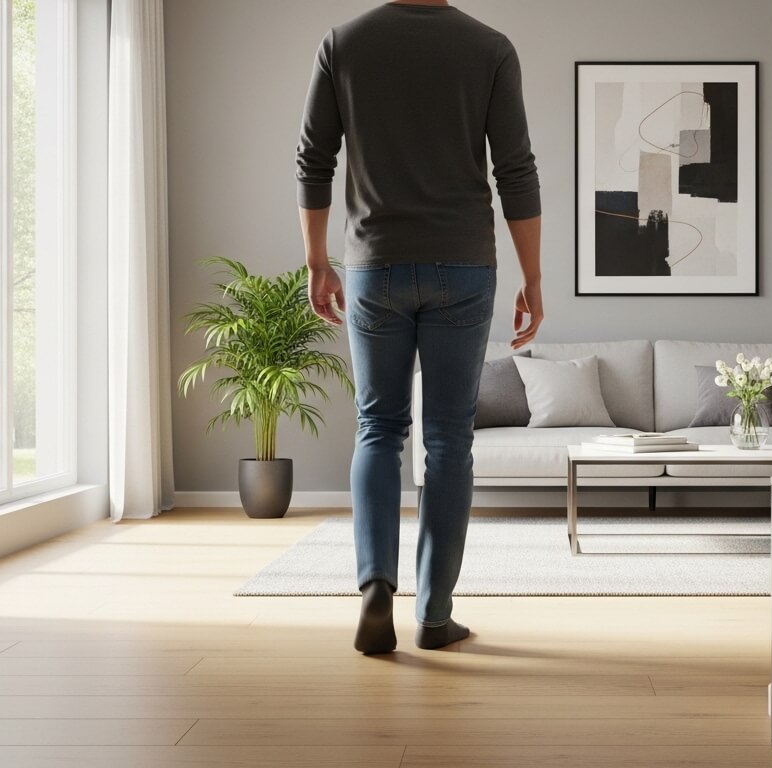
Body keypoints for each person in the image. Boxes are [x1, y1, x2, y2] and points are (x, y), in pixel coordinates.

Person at [295, 0, 543, 654]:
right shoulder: (489, 48)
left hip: (374, 265)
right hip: (463, 267)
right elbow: (515, 169)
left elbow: (313, 159)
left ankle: (376, 585)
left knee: (378, 426)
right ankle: (434, 613)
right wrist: (534, 277)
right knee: (448, 439)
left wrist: (319, 263)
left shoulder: (344, 42)